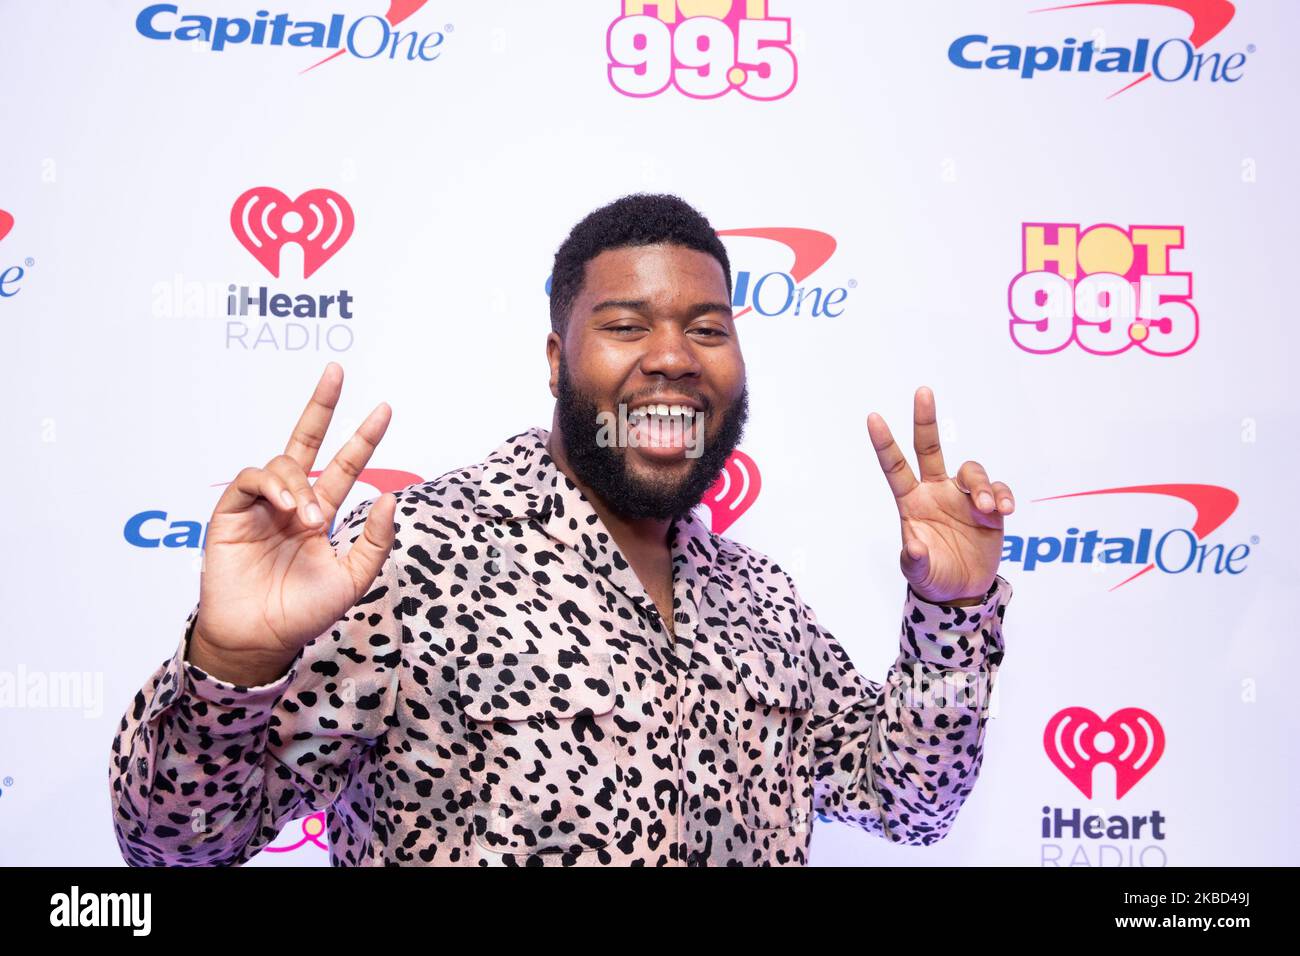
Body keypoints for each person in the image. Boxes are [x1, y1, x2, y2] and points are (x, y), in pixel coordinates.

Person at [109, 193, 1015, 867]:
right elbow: (173, 844)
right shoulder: (417, 558)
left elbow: (910, 802)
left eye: (707, 327)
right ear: (557, 359)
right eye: (625, 326)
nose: (671, 357)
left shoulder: (761, 597)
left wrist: (953, 613)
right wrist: (232, 663)